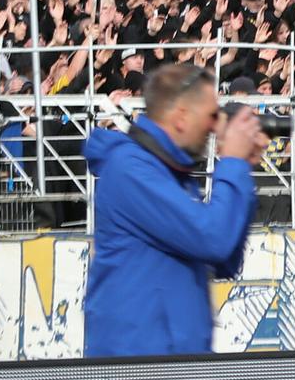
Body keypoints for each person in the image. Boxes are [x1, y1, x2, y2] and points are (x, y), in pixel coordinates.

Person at [82, 62, 269, 357]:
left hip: (173, 359)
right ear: (181, 116)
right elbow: (213, 240)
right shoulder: (130, 170)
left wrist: (241, 165)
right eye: (210, 115)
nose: (214, 126)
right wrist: (232, 162)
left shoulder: (169, 172)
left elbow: (226, 260)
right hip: (138, 365)